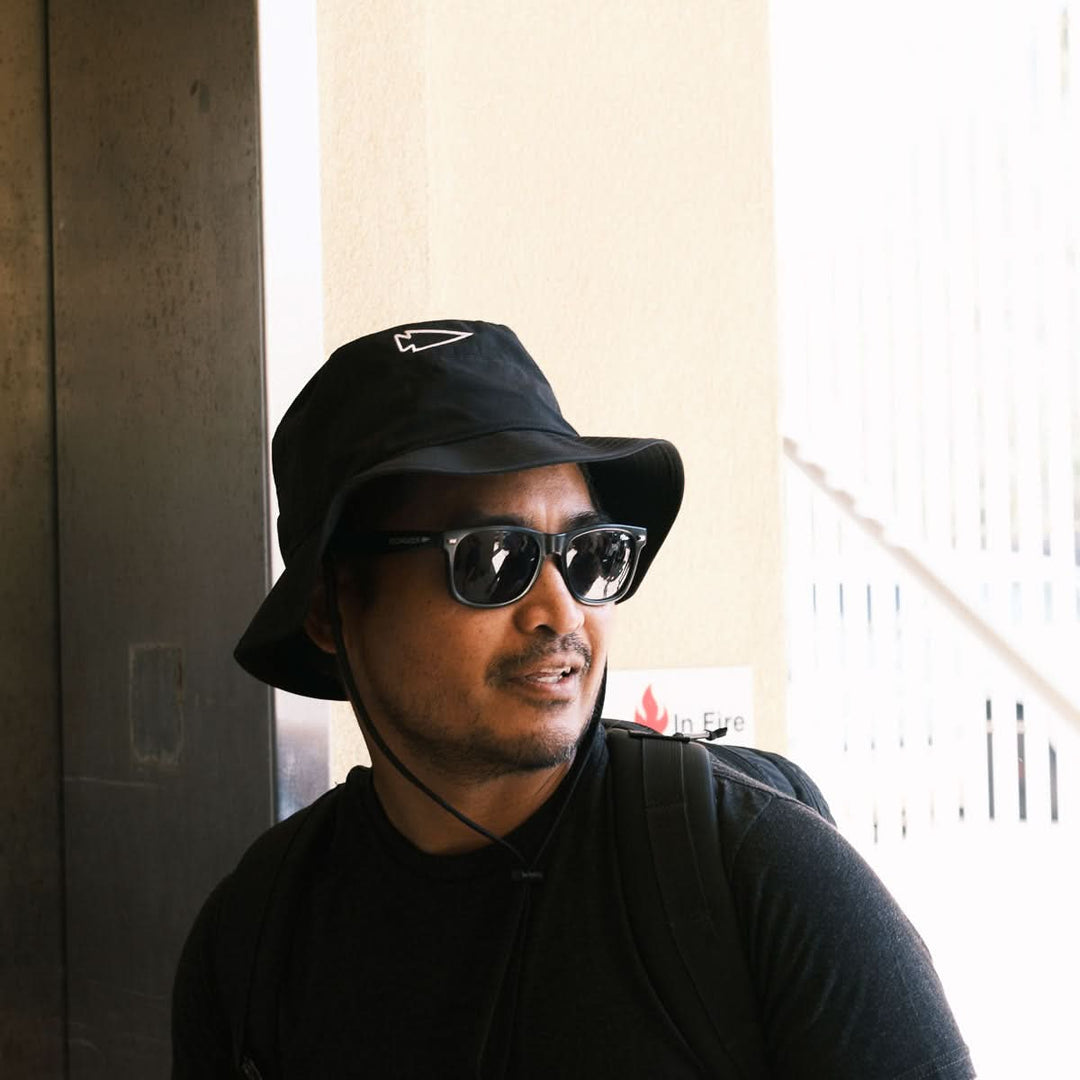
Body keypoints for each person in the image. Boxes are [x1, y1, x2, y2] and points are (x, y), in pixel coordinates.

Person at [172, 319, 975, 1078]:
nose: (562, 610)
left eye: (589, 554)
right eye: (491, 558)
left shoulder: (759, 878)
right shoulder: (256, 934)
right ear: (330, 607)